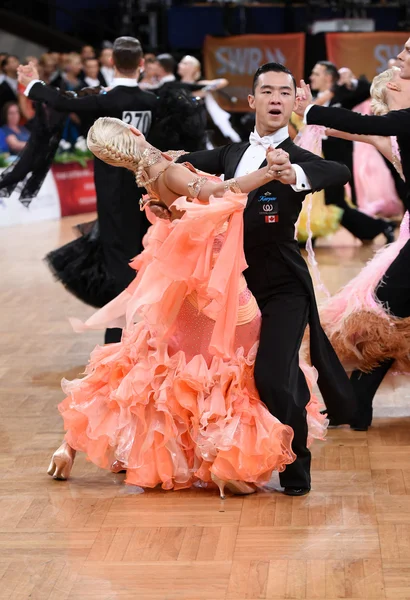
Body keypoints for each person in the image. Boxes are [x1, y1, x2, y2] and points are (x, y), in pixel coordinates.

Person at [47, 115, 329, 496]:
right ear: (133, 132)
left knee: (171, 364)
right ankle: (229, 461)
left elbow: (184, 210)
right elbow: (220, 193)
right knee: (236, 359)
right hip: (215, 284)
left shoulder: (148, 175)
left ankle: (74, 445)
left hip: (190, 285)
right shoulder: (166, 171)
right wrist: (266, 175)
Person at [172, 63, 356, 494]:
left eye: (284, 93)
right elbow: (182, 163)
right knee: (216, 375)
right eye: (267, 91)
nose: (276, 99)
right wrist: (152, 157)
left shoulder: (299, 158)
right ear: (252, 101)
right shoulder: (231, 155)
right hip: (232, 287)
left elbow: (338, 173)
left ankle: (296, 462)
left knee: (273, 375)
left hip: (281, 285)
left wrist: (294, 174)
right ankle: (228, 458)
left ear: (294, 103)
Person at [295, 39, 410, 429]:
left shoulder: (404, 120)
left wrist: (310, 110)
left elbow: (366, 125)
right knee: (381, 316)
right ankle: (357, 406)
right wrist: (309, 117)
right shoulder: (397, 131)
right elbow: (361, 130)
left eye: (406, 53)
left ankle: (356, 406)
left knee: (381, 312)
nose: (398, 58)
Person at [18, 36, 158, 344]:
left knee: (118, 260)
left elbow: (62, 101)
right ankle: (143, 329)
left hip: (112, 193)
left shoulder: (107, 100)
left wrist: (32, 84)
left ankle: (118, 335)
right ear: (141, 64)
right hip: (149, 191)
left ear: (111, 63)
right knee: (145, 255)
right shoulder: (152, 102)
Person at [309, 60, 395, 244]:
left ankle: (377, 227)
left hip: (337, 158)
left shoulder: (344, 95)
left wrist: (352, 81)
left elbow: (366, 89)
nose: (311, 77)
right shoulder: (317, 99)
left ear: (328, 76)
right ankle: (372, 229)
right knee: (330, 201)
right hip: (317, 159)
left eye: (316, 73)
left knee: (333, 200)